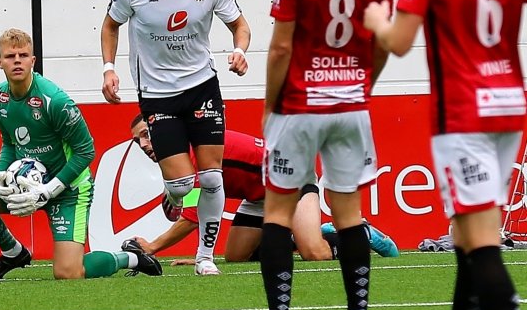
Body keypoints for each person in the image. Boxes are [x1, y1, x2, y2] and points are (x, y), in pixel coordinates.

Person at [363, 0, 527, 310]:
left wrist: (377, 20)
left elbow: (398, 42)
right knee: (466, 240)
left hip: (462, 112)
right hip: (508, 104)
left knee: (482, 244)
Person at [251, 0, 394, 310]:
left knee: (277, 212)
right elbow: (384, 40)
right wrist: (363, 86)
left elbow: (280, 47)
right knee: (348, 215)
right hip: (351, 105)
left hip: (299, 104)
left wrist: (269, 105)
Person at [100, 0, 251, 276]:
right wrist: (108, 68)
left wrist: (240, 50)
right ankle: (173, 193)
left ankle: (205, 257)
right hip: (157, 93)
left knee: (213, 179)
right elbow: (110, 25)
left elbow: (239, 25)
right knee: (183, 184)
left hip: (202, 86)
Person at [0, 28, 163, 280]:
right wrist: (0, 173)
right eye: (10, 56)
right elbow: (8, 140)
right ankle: (13, 252)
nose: (17, 60)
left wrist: (49, 190)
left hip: (68, 189)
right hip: (25, 181)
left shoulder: (55, 101)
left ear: (33, 60)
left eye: (23, 54)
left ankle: (131, 256)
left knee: (68, 273)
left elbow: (86, 151)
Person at [128, 114, 399, 265]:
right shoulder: (177, 160)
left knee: (316, 255)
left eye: (146, 134)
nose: (143, 145)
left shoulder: (194, 151)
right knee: (236, 258)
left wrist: (152, 247)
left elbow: (191, 217)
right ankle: (305, 234)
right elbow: (199, 210)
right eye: (137, 140)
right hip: (259, 196)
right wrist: (203, 258)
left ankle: (359, 234)